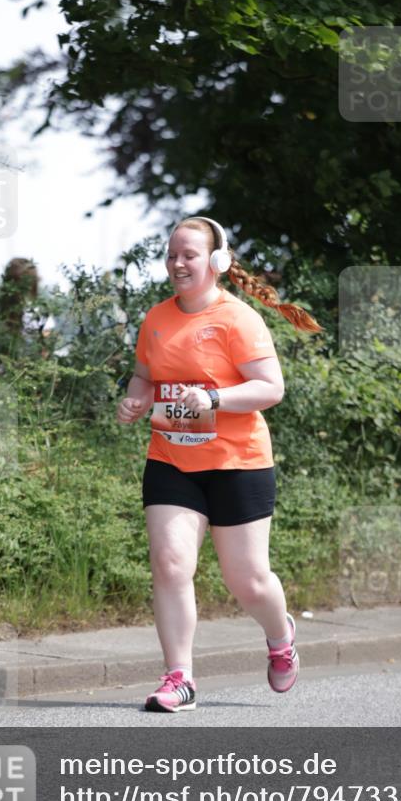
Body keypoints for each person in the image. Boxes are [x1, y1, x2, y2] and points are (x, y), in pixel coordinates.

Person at [116, 216, 322, 712]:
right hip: (171, 457)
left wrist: (214, 398)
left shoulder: (238, 319)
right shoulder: (157, 318)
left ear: (216, 262)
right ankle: (179, 678)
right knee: (169, 564)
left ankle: (280, 636)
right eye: (171, 255)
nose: (177, 264)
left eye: (188, 255)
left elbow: (271, 388)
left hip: (238, 462)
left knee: (247, 581)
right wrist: (134, 400)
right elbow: (144, 377)